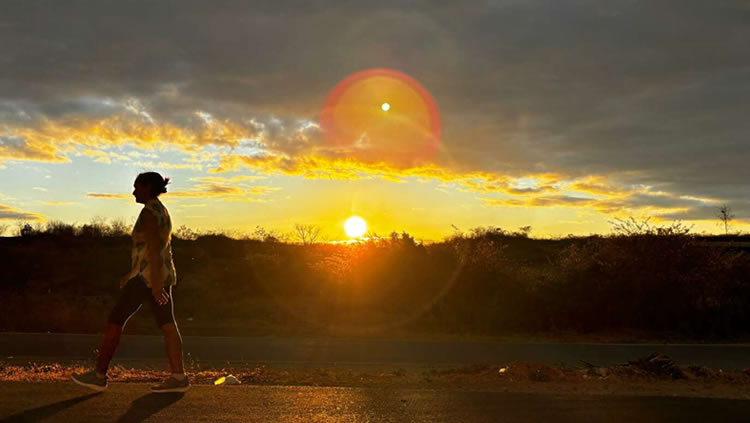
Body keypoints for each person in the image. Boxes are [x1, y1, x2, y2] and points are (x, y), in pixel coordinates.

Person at [72, 172, 189, 393]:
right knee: (168, 324)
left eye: (137, 187)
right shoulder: (162, 210)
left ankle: (99, 376)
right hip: (158, 276)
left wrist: (153, 285)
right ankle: (179, 377)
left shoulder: (148, 213)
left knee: (115, 321)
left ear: (147, 187)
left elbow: (154, 249)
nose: (133, 191)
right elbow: (154, 249)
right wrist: (133, 274)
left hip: (148, 279)